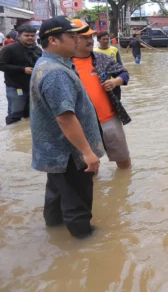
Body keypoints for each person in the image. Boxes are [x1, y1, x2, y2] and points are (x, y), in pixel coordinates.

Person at [30, 16, 105, 239]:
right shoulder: (56, 73)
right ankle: (84, 243)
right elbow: (65, 118)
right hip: (69, 153)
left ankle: (54, 231)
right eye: (72, 37)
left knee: (57, 194)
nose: (77, 41)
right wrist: (87, 152)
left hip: (55, 151)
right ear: (53, 40)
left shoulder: (47, 64)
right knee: (77, 200)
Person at [72, 22, 132, 169]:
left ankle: (124, 186)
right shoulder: (64, 63)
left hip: (109, 118)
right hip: (81, 124)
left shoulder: (101, 58)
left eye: (91, 36)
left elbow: (124, 73)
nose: (89, 40)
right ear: (71, 38)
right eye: (83, 37)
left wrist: (116, 81)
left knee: (123, 158)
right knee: (90, 164)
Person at [0, 25, 42, 125]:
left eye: (32, 35)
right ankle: (12, 134)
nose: (30, 38)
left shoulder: (37, 50)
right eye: (26, 35)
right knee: (15, 114)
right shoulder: (9, 49)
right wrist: (23, 70)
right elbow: (1, 65)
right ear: (19, 36)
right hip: (15, 87)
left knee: (31, 114)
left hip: (33, 87)